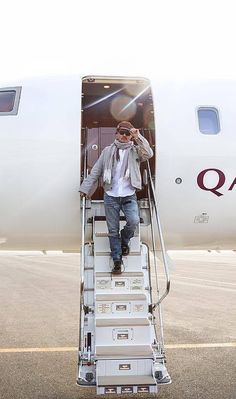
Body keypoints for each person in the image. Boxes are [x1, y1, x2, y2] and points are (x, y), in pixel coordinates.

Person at [79, 121, 153, 274]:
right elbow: (96, 171)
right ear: (117, 133)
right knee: (112, 230)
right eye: (122, 132)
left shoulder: (135, 150)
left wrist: (138, 137)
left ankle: (124, 241)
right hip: (111, 195)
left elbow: (149, 153)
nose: (125, 136)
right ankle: (117, 260)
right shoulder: (107, 151)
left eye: (128, 133)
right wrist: (85, 188)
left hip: (129, 194)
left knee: (133, 221)